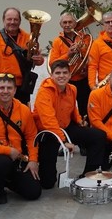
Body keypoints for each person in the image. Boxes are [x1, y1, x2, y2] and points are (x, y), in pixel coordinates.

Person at [0, 73, 42, 204]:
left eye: (9, 88)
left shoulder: (23, 110)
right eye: (2, 88)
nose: (5, 91)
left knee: (33, 192)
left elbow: (32, 136)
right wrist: (8, 151)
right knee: (2, 162)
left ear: (15, 90)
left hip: (16, 158)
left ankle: (7, 181)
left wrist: (33, 160)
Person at [33, 60, 87, 189]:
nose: (61, 76)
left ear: (69, 75)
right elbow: (48, 121)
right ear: (51, 76)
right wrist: (64, 142)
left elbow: (74, 109)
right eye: (58, 73)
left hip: (65, 127)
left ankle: (90, 174)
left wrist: (79, 121)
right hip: (47, 132)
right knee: (47, 183)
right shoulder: (44, 92)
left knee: (96, 136)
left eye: (65, 73)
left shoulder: (72, 89)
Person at [0, 7, 45, 105]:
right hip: (3, 85)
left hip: (23, 85)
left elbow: (35, 59)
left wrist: (39, 60)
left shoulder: (28, 37)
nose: (12, 22)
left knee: (22, 114)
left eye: (15, 19)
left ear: (20, 21)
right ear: (3, 20)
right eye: (9, 19)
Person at [48, 12, 91, 117]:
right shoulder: (57, 41)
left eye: (70, 22)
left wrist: (87, 65)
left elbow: (91, 56)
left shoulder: (85, 38)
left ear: (75, 23)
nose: (67, 25)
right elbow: (53, 63)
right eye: (65, 22)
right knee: (67, 108)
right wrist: (68, 54)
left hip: (83, 78)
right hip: (67, 80)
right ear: (61, 25)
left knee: (86, 107)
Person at [87, 11, 112, 89]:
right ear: (103, 25)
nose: (111, 24)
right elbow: (92, 66)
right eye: (107, 22)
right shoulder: (97, 44)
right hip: (106, 84)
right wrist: (92, 85)